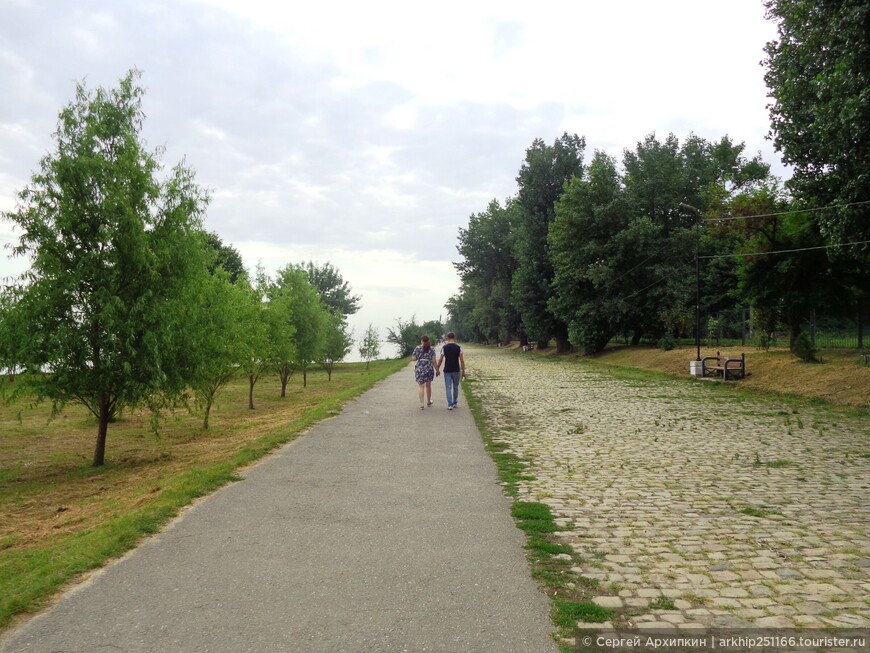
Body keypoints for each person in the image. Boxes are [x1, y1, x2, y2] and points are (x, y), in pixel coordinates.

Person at [436, 332, 466, 410]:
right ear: (454, 338)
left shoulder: (444, 348)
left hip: (447, 369)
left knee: (448, 387)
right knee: (455, 387)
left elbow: (440, 360)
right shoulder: (459, 348)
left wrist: (437, 369)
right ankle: (455, 402)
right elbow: (462, 361)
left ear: (447, 338)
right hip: (456, 369)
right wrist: (463, 371)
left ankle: (450, 404)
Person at [411, 335, 439, 410]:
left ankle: (421, 404)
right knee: (428, 386)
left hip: (420, 368)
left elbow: (413, 358)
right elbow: (434, 361)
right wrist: (437, 370)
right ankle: (429, 401)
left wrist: (417, 357)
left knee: (421, 386)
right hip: (429, 367)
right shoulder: (432, 349)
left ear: (422, 341)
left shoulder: (418, 348)